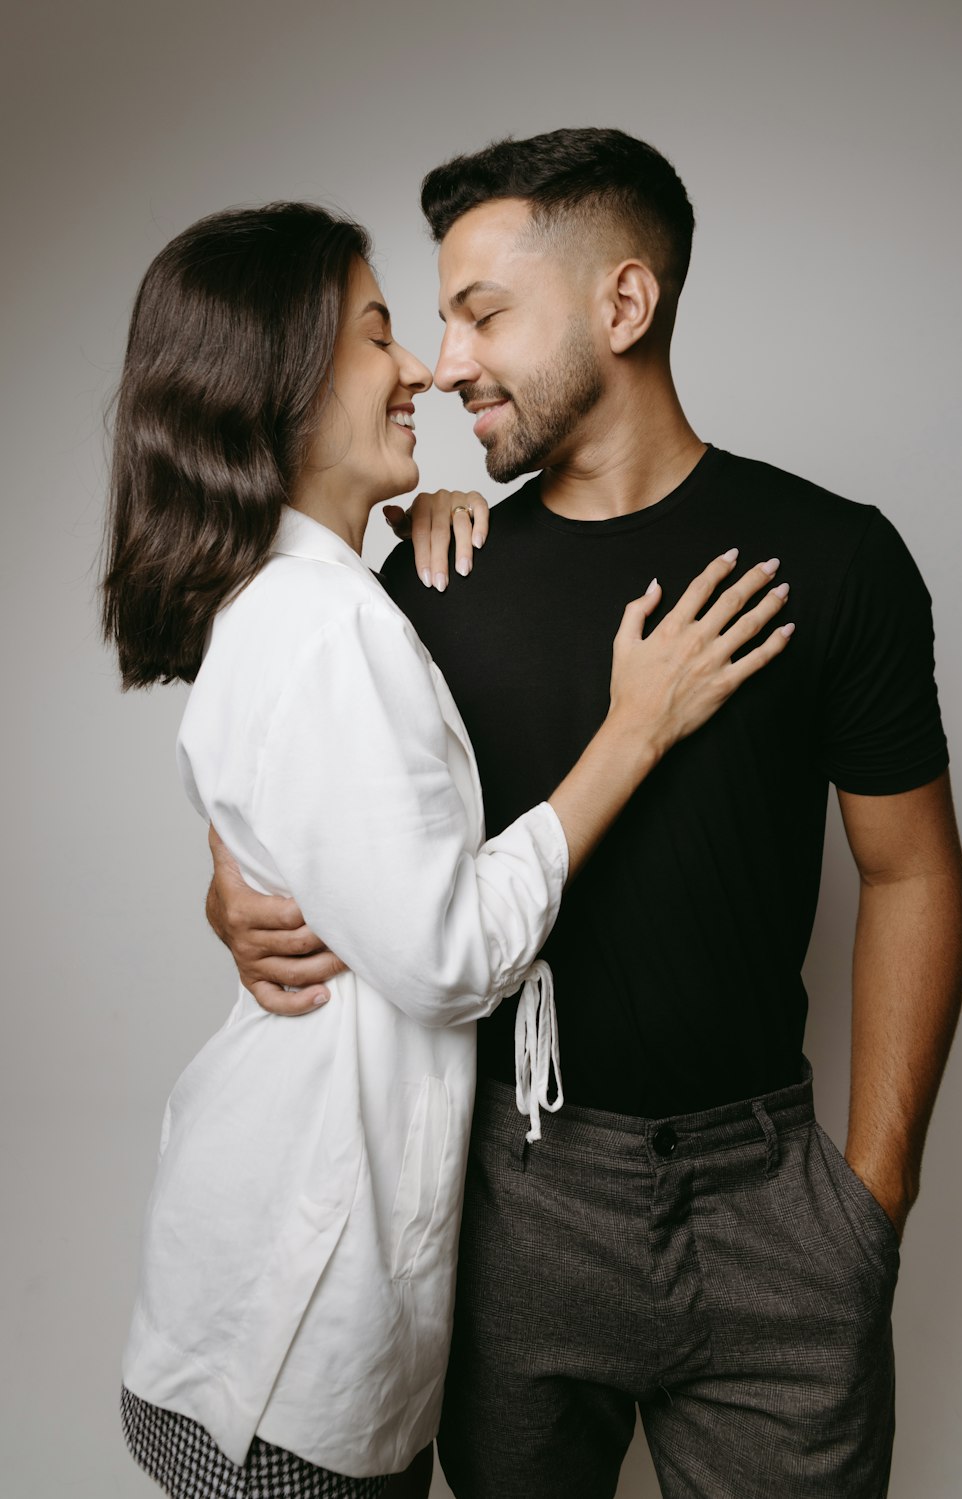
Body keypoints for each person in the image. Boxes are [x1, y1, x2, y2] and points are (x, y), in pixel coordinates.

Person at [210, 131, 962, 1499]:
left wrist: (872, 1198)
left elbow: (911, 873)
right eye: (438, 319)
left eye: (483, 313)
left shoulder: (839, 558)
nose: (445, 363)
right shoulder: (430, 581)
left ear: (625, 305)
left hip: (776, 1209)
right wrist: (228, 873)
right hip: (514, 1200)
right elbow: (286, 754)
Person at [101, 200, 792, 1499]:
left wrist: (403, 545)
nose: (422, 365)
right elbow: (450, 955)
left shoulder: (313, 603)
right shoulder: (320, 626)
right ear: (279, 384)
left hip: (257, 1310)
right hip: (288, 1362)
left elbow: (306, 807)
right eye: (379, 334)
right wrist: (632, 731)